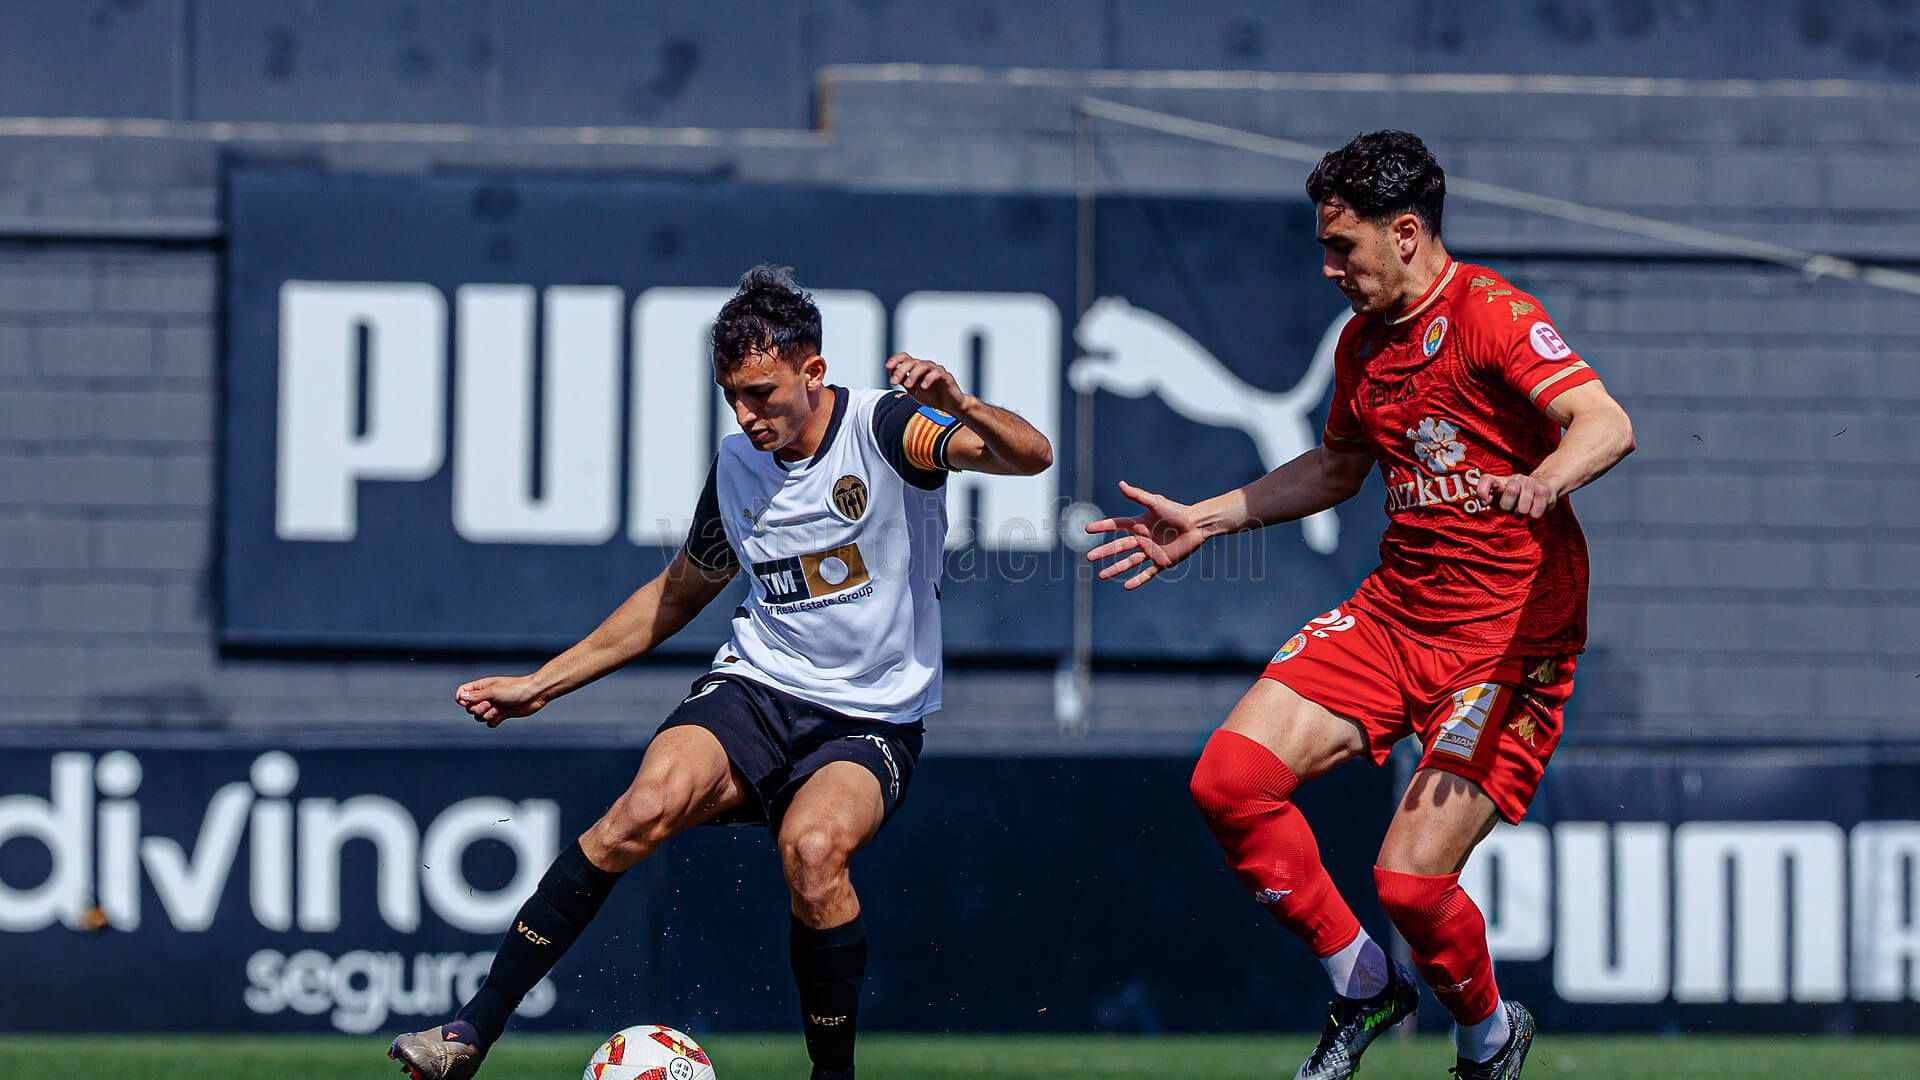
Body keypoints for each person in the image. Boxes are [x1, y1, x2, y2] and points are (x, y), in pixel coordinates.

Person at [389, 265, 1053, 1080]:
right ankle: (469, 1035)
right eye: (730, 394)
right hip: (756, 689)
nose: (746, 414)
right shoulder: (739, 466)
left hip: (871, 719)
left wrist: (959, 404)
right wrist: (538, 686)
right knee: (641, 808)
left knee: (814, 854)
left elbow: (1030, 457)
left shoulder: (887, 430)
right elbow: (674, 597)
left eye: (761, 393)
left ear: (813, 371)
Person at [1085, 130, 1634, 1080]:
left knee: (1410, 886)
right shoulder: (1361, 345)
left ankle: (1488, 1038)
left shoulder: (1492, 315)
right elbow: (1340, 466)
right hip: (1394, 618)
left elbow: (1606, 421)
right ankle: (1363, 983)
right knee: (1227, 784)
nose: (1330, 267)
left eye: (1344, 247)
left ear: (1409, 232)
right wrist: (1205, 522)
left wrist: (1545, 481)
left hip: (1507, 644)